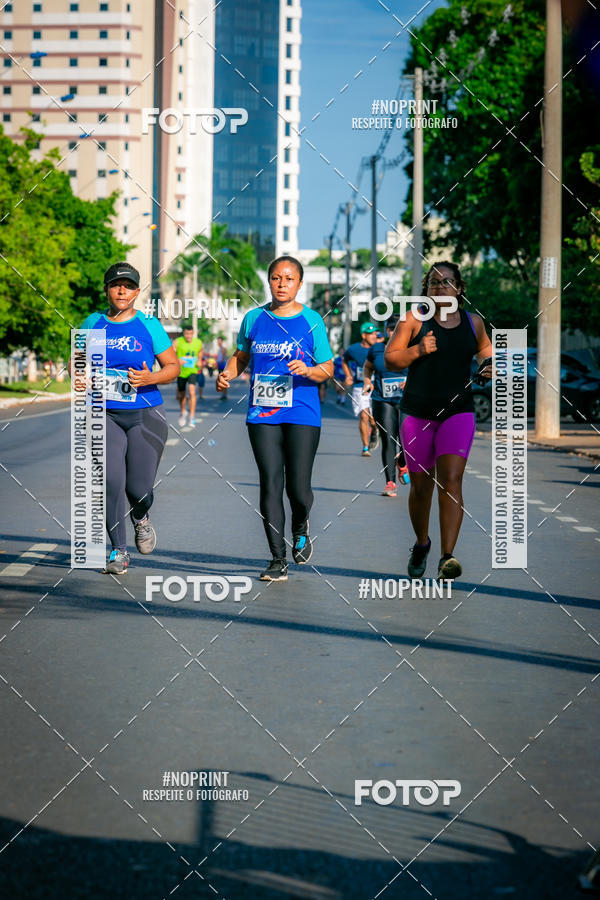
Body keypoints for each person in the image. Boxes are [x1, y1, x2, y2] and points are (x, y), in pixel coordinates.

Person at [217, 255, 333, 581]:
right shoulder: (254, 318)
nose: (282, 284)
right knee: (270, 482)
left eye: (289, 279)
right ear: (269, 281)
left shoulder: (311, 320)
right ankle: (277, 559)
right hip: (262, 412)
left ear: (299, 283)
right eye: (276, 278)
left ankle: (300, 524)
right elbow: (241, 357)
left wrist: (309, 370)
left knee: (298, 488)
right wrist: (227, 374)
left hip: (302, 411)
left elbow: (328, 368)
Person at [384, 261, 492, 581]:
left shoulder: (474, 323)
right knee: (420, 487)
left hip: (459, 412)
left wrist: (487, 365)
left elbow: (485, 350)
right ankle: (422, 544)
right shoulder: (414, 320)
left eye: (446, 282)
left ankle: (448, 557)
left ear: (459, 288)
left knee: (452, 479)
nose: (439, 287)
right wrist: (418, 350)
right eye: (433, 282)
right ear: (427, 290)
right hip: (417, 414)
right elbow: (391, 359)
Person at [77, 262, 180, 575]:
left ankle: (141, 517)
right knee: (110, 480)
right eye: (116, 284)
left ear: (137, 292)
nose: (122, 291)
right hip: (103, 413)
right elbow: (78, 364)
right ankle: (118, 551)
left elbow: (172, 367)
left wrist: (149, 378)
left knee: (139, 489)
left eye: (129, 286)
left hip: (145, 414)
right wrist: (80, 378)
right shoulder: (92, 323)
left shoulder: (149, 326)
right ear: (107, 289)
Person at [362, 315, 410, 497]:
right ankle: (390, 483)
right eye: (391, 328)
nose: (393, 331)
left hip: (407, 401)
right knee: (389, 439)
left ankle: (403, 463)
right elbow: (368, 367)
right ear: (387, 330)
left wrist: (411, 381)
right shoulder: (376, 349)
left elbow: (424, 371)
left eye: (397, 328)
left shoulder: (412, 348)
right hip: (382, 399)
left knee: (408, 440)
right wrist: (368, 380)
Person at [342, 323, 379, 456]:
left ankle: (374, 429)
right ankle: (365, 447)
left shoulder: (379, 348)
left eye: (375, 333)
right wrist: (348, 375)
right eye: (371, 333)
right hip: (360, 386)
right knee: (364, 416)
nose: (374, 336)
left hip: (377, 386)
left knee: (373, 420)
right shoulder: (354, 349)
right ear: (364, 335)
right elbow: (344, 360)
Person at [174, 325, 203, 427]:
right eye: (186, 334)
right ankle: (183, 412)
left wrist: (199, 361)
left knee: (192, 392)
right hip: (181, 372)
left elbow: (200, 353)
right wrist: (178, 361)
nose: (188, 336)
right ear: (184, 333)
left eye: (190, 334)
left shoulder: (198, 342)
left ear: (193, 333)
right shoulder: (178, 341)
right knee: (182, 395)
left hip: (192, 371)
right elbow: (171, 355)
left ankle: (191, 417)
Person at [216, 336, 228, 401]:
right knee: (221, 380)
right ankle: (223, 394)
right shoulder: (220, 349)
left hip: (222, 366)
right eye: (218, 341)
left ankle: (224, 395)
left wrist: (218, 363)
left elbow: (223, 358)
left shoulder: (223, 349)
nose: (218, 343)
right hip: (220, 365)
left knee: (223, 380)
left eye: (219, 341)